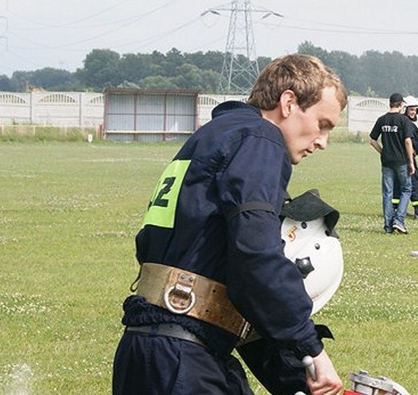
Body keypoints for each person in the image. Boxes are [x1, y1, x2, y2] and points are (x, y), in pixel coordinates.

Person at [112, 54, 347, 395]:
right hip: (183, 359)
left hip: (150, 348)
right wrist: (312, 348)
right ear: (289, 102)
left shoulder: (213, 137)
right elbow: (256, 255)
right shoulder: (260, 139)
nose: (323, 141)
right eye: (323, 124)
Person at [369, 93, 415, 234]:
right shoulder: (403, 120)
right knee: (406, 189)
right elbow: (408, 141)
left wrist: (383, 152)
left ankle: (388, 226)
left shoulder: (382, 120)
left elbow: (372, 140)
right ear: (401, 105)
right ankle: (399, 220)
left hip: (386, 161)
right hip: (401, 161)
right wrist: (411, 161)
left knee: (387, 193)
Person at [393, 95, 418, 219]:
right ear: (405, 109)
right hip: (408, 159)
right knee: (414, 183)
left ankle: (396, 209)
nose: (413, 112)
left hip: (396, 159)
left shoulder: (398, 122)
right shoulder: (410, 125)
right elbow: (415, 145)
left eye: (415, 110)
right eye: (411, 109)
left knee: (397, 184)